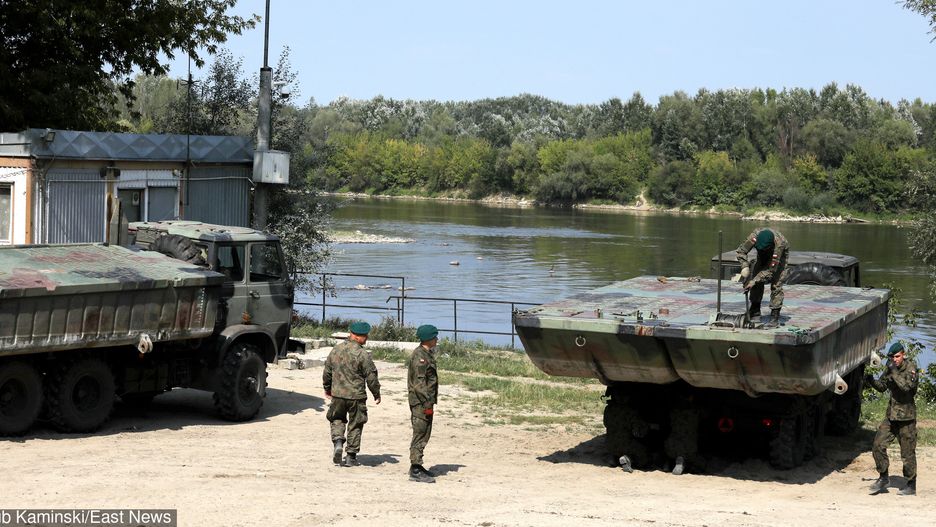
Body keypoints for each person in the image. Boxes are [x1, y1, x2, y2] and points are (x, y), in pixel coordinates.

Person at [323, 321, 381, 467]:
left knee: (336, 418)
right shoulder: (362, 354)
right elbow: (371, 376)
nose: (366, 338)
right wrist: (376, 393)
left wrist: (327, 388)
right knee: (356, 423)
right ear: (355, 336)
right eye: (364, 336)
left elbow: (327, 372)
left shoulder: (335, 350)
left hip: (338, 395)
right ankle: (351, 457)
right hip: (356, 396)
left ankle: (337, 442)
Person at [866, 342, 918, 496]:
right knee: (877, 445)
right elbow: (882, 386)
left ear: (903, 355)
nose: (894, 360)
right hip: (891, 417)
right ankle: (883, 477)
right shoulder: (890, 368)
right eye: (892, 357)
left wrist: (893, 371)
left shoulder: (911, 368)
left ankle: (910, 484)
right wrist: (870, 380)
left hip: (906, 419)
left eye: (897, 356)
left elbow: (906, 388)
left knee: (907, 453)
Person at [736, 227, 789, 328]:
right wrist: (745, 266)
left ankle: (774, 315)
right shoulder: (754, 237)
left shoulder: (779, 245)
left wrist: (754, 281)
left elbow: (771, 271)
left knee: (776, 284)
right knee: (755, 278)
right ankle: (755, 310)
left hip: (779, 258)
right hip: (762, 256)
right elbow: (741, 251)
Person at [407, 324, 439, 483]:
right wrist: (427, 403)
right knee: (420, 433)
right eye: (435, 337)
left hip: (425, 402)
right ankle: (415, 468)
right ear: (430, 339)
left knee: (424, 433)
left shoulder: (425, 354)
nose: (437, 339)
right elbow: (419, 384)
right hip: (421, 403)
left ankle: (418, 465)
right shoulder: (420, 357)